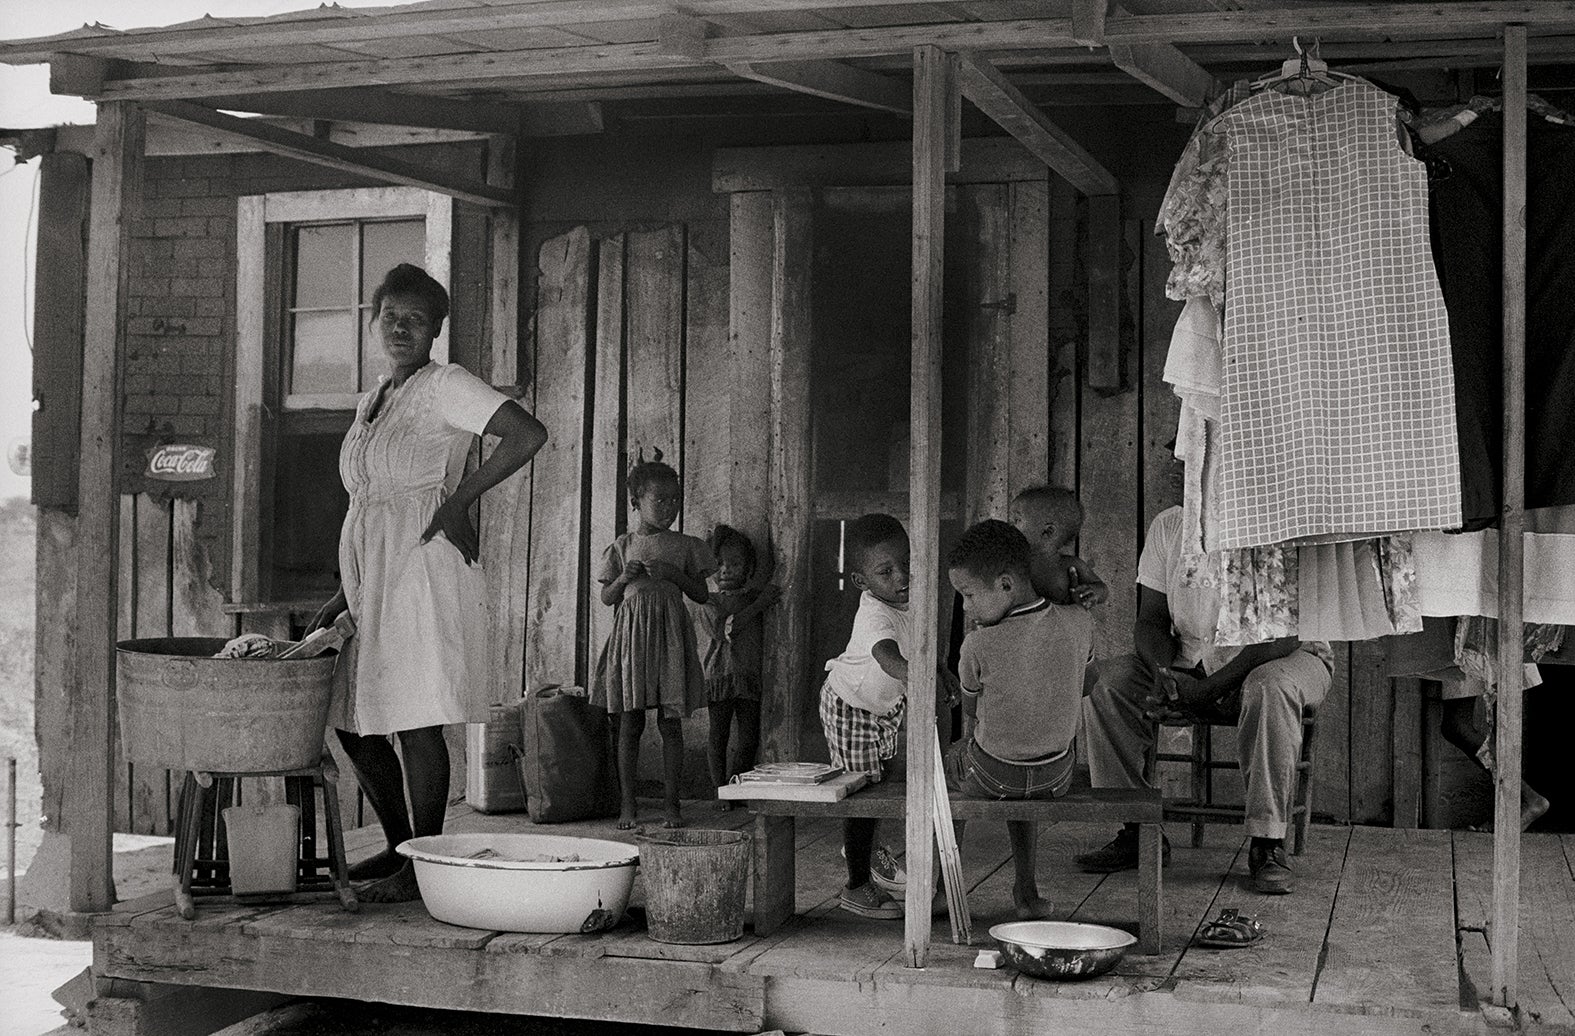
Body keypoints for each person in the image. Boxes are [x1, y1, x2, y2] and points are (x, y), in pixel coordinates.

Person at [307, 263, 548, 903]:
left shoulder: (446, 386)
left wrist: (458, 502)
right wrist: (343, 592)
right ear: (374, 320)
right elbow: (366, 502)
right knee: (354, 717)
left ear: (436, 330)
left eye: (416, 320)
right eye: (391, 317)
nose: (401, 328)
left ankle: (424, 861)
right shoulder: (373, 400)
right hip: (372, 570)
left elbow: (526, 434)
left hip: (421, 562)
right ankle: (399, 846)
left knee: (416, 717)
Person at [1079, 504, 1332, 894]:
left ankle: (1267, 844)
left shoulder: (1281, 519)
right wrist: (1166, 675)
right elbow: (1150, 620)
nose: (1188, 467)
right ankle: (1135, 829)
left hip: (1284, 657)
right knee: (1106, 683)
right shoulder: (1171, 525)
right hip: (1191, 658)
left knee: (1269, 688)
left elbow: (1280, 638)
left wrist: (1206, 691)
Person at [945, 519, 1094, 920]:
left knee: (945, 769)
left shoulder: (976, 644)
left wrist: (963, 744)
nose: (965, 607)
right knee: (1021, 761)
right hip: (1056, 777)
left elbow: (972, 715)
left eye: (969, 595)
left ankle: (943, 889)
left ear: (1007, 585)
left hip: (995, 775)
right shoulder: (1080, 622)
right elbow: (1086, 686)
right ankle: (1026, 892)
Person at [592, 457, 715, 830]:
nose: (669, 507)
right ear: (636, 502)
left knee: (670, 723)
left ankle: (671, 806)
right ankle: (628, 805)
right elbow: (608, 598)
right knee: (629, 722)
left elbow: (700, 593)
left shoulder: (685, 546)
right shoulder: (622, 546)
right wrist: (622, 579)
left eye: (675, 499)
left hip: (670, 642)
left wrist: (675, 575)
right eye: (659, 500)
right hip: (632, 644)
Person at [819, 513, 928, 919]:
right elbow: (889, 657)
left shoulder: (906, 598)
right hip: (850, 708)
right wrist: (918, 677)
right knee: (861, 794)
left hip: (881, 709)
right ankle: (856, 886)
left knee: (877, 788)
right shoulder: (873, 614)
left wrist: (939, 672)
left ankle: (865, 852)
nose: (901, 576)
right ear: (863, 581)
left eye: (907, 564)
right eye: (886, 571)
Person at [693, 524, 781, 808]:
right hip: (719, 675)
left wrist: (762, 600)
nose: (726, 570)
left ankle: (735, 786)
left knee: (748, 739)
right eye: (719, 564)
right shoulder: (708, 601)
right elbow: (728, 630)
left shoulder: (755, 597)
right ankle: (720, 791)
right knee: (718, 735)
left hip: (748, 676)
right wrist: (760, 604)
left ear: (749, 568)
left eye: (735, 563)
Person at [1010, 486, 1108, 609]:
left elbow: (1102, 588)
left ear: (1048, 531)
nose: (1010, 525)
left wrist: (1092, 592)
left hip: (1059, 626)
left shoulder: (1069, 565)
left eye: (1017, 520)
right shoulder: (1011, 562)